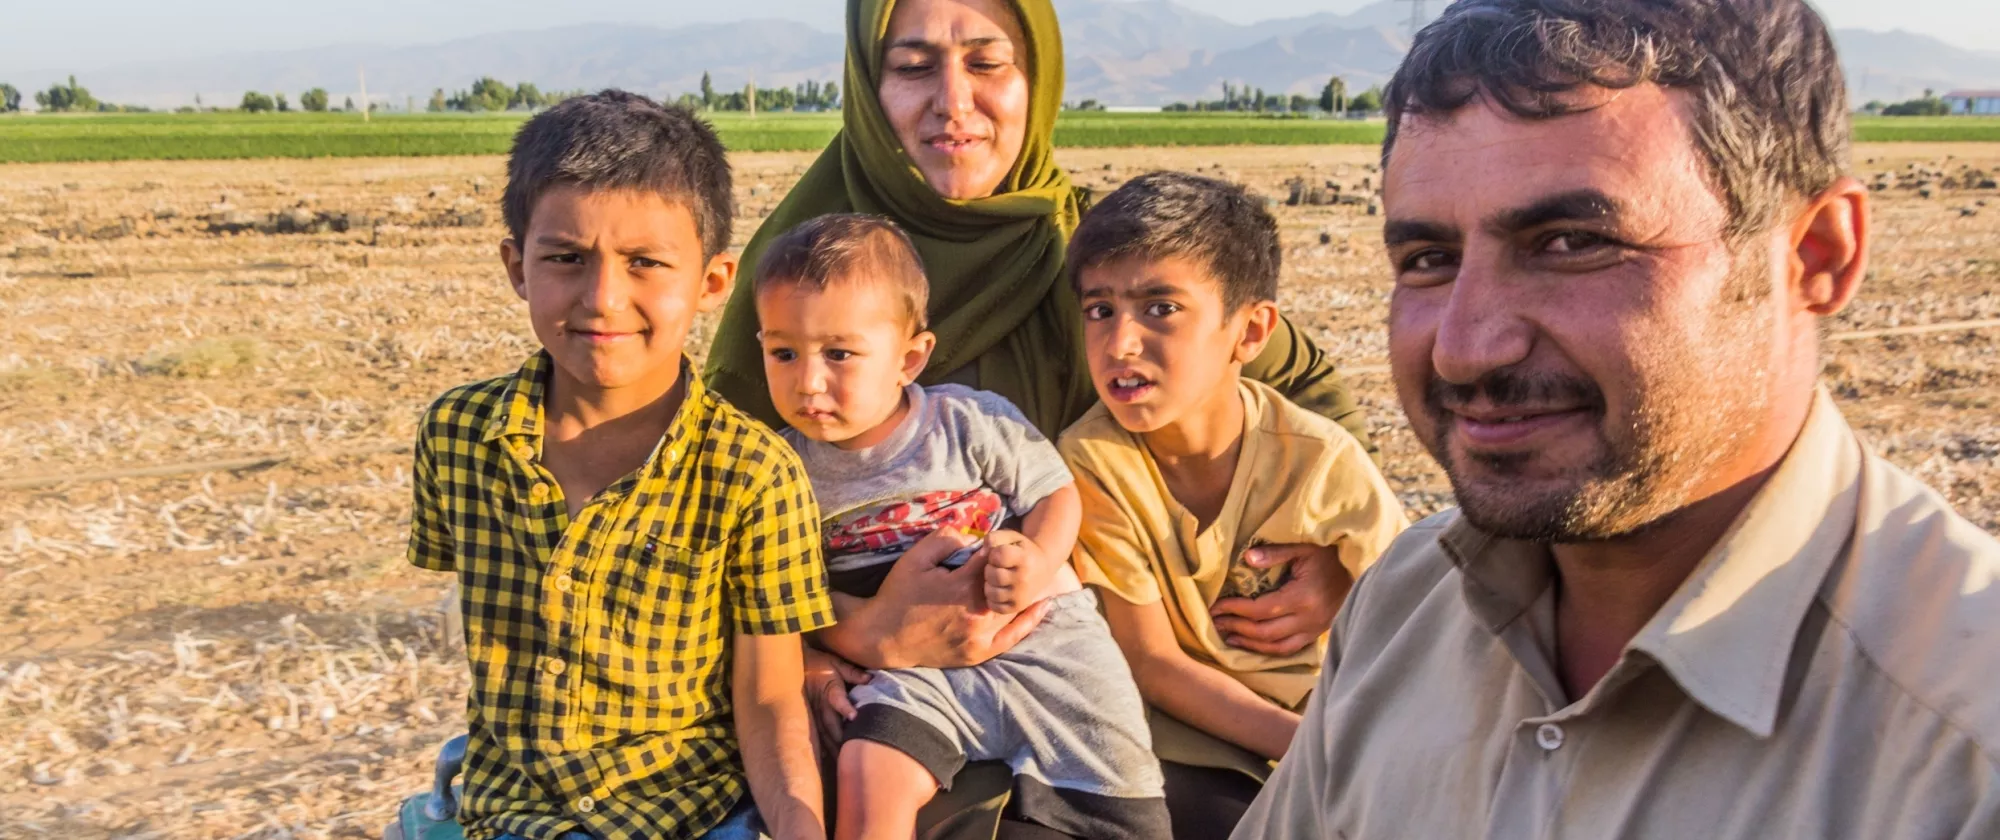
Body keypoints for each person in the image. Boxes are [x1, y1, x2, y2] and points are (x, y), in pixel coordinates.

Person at [1233, 1, 2000, 838]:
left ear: (1815, 256)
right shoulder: (1406, 602)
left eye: (1571, 242)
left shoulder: (1964, 748)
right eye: (1429, 260)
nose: (1463, 348)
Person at [702, 2, 1375, 832]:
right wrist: (827, 644)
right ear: (866, 89)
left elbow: (1303, 385)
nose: (953, 101)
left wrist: (1332, 563)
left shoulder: (1097, 251)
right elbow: (713, 521)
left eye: (988, 63)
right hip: (885, 703)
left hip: (1092, 663)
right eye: (913, 67)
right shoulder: (801, 273)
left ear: (1039, 80)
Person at [404, 92, 832, 840]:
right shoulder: (456, 437)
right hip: (512, 812)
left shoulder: (754, 475)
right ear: (516, 267)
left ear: (711, 282)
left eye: (645, 264)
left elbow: (768, 698)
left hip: (689, 812)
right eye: (566, 259)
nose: (603, 299)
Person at [754, 213, 1168, 840]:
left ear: (910, 358)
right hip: (907, 674)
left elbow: (1054, 492)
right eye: (784, 353)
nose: (809, 381)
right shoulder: (780, 470)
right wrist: (818, 649)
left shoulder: (967, 423)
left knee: (1115, 769)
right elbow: (786, 592)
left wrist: (1034, 559)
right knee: (870, 767)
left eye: (839, 354)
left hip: (1043, 641)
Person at [1056, 172, 1408, 839]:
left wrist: (1358, 742)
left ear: (1250, 333)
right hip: (1187, 736)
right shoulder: (1093, 463)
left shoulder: (1319, 459)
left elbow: (1414, 611)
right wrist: (1306, 749)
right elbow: (1153, 663)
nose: (1120, 343)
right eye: (1100, 310)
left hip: (1324, 710)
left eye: (1160, 308)